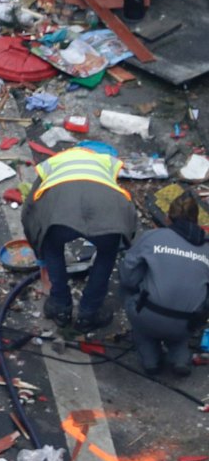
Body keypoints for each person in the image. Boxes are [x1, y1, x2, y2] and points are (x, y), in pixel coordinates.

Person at [22, 144, 137, 331]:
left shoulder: (53, 163)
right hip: (106, 216)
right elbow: (123, 206)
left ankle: (60, 307)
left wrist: (40, 251)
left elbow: (29, 210)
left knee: (52, 245)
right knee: (107, 253)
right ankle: (89, 313)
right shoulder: (106, 163)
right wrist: (124, 238)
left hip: (61, 219)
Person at [119, 192, 209, 376]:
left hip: (149, 315)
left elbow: (128, 276)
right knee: (181, 322)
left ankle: (150, 358)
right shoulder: (206, 248)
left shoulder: (152, 237)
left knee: (127, 291)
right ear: (196, 220)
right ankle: (180, 356)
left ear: (168, 218)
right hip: (188, 322)